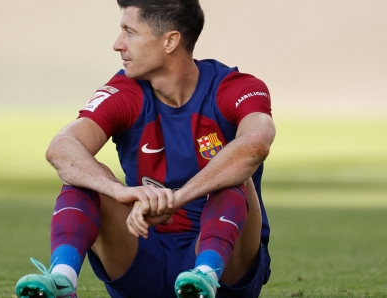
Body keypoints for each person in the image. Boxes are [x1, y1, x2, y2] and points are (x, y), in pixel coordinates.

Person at [16, 0, 276, 297]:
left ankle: (203, 275)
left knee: (235, 174)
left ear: (170, 41)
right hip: (142, 254)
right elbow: (62, 148)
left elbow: (254, 145)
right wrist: (119, 190)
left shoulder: (234, 88)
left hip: (226, 268)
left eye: (129, 32)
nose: (117, 45)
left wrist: (178, 199)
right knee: (87, 175)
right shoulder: (124, 91)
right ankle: (62, 280)